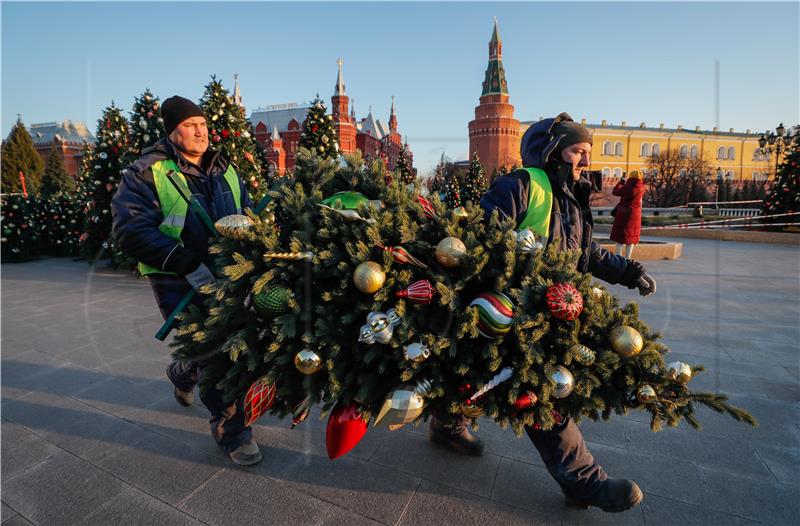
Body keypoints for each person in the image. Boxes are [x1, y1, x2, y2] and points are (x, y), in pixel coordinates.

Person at [466, 112, 655, 513]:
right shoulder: (522, 185)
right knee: (542, 389)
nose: (585, 160)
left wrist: (628, 270)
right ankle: (583, 481)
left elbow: (585, 253)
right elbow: (482, 237)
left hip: (553, 309)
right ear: (550, 151)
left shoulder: (572, 197)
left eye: (587, 152)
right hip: (512, 311)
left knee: (492, 379)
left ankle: (448, 421)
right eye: (577, 151)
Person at [111, 96, 260, 466]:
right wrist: (186, 262)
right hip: (178, 278)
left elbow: (249, 212)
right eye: (190, 124)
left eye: (203, 124)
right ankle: (232, 430)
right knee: (214, 350)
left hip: (227, 274)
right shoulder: (147, 172)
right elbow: (130, 229)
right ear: (171, 130)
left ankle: (182, 373)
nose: (200, 130)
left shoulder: (226, 168)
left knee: (224, 343)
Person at [610, 170, 645, 258]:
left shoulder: (628, 187)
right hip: (635, 213)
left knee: (620, 236)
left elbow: (615, 192)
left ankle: (618, 257)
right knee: (631, 237)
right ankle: (628, 258)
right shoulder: (642, 187)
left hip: (624, 214)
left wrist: (621, 182)